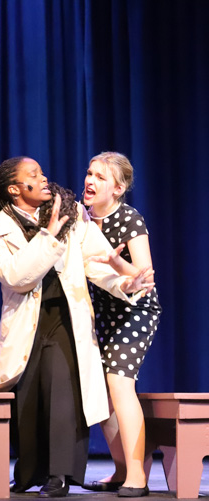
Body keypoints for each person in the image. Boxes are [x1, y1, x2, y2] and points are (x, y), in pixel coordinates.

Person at [0, 157, 153, 497]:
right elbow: (15, 277)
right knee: (28, 397)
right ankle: (29, 473)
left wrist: (124, 284)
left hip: (66, 316)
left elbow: (97, 264)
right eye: (34, 175)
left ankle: (60, 474)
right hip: (26, 321)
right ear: (14, 189)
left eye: (43, 171)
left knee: (62, 394)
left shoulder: (72, 214)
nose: (44, 178)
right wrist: (49, 234)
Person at [81, 152, 161, 498]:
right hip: (99, 314)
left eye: (100, 177)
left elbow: (145, 278)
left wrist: (117, 263)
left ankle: (138, 474)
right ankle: (121, 467)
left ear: (118, 188)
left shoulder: (129, 219)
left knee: (119, 382)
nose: (90, 181)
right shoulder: (81, 219)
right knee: (100, 391)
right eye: (89, 173)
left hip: (135, 311)